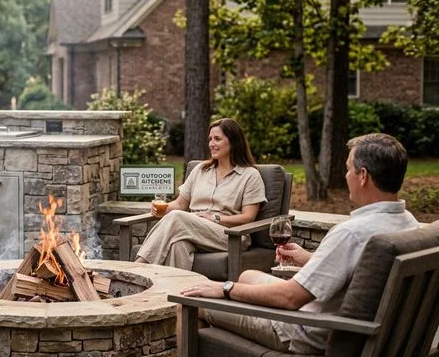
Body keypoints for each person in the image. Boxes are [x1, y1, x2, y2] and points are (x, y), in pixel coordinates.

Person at [179, 133, 419, 354]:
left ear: (363, 176)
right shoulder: (409, 224)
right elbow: (361, 270)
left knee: (192, 304)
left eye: (348, 169)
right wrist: (309, 258)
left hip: (305, 328)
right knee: (249, 275)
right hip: (352, 319)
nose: (346, 176)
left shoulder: (351, 233)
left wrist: (225, 288)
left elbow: (289, 298)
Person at [135, 118, 267, 270]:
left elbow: (248, 217)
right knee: (178, 245)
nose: (211, 143)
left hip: (229, 235)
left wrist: (215, 218)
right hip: (192, 228)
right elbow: (179, 204)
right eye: (210, 139)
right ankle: (173, 291)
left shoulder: (250, 175)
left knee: (177, 217)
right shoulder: (200, 170)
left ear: (234, 141)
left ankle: (138, 268)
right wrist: (163, 208)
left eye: (217, 139)